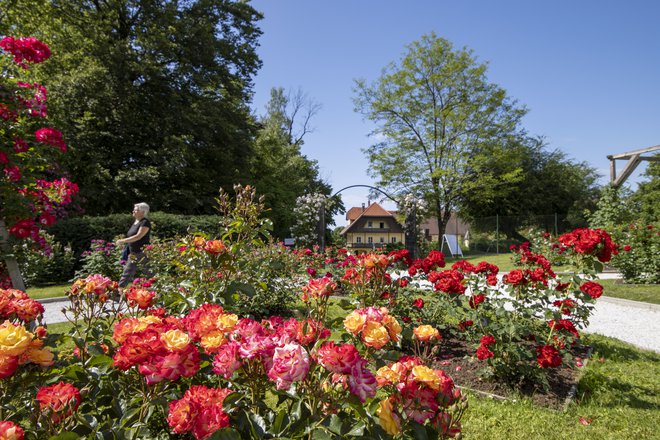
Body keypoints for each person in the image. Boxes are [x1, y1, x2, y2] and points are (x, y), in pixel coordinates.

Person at [116, 202, 152, 288]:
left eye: (136, 210)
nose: (133, 211)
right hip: (134, 252)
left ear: (142, 212)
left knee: (149, 273)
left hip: (143, 253)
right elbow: (132, 236)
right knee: (127, 272)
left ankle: (158, 292)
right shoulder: (136, 222)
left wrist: (122, 241)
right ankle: (118, 291)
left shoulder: (145, 222)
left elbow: (138, 236)